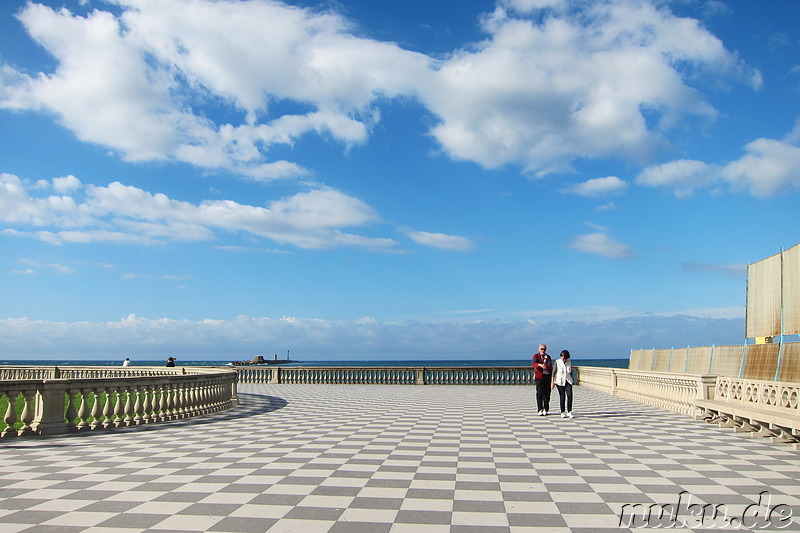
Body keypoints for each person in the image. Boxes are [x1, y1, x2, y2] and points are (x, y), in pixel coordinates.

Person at [552, 349, 574, 418]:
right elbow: (554, 372)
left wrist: (572, 379)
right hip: (560, 381)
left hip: (568, 381)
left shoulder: (569, 362)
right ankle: (562, 411)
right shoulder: (557, 362)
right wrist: (552, 382)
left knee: (570, 395)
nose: (562, 358)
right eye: (561, 356)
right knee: (562, 396)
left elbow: (570, 372)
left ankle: (569, 411)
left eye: (564, 357)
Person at [532, 344, 552, 415]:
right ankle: (539, 409)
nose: (543, 350)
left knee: (547, 393)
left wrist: (546, 366)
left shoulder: (548, 357)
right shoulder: (536, 356)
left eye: (544, 349)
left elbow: (550, 365)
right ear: (539, 349)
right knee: (539, 393)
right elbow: (534, 363)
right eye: (541, 349)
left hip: (547, 376)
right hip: (539, 376)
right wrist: (540, 365)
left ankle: (545, 409)